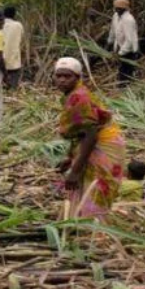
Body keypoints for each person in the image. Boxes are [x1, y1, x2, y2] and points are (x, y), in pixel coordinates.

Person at [53, 57, 126, 220]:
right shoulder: (72, 94)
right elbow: (81, 133)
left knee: (97, 186)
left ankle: (94, 229)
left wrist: (75, 170)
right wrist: (71, 157)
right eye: (59, 76)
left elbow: (90, 134)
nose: (62, 80)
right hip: (94, 141)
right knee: (87, 185)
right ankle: (79, 222)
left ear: (78, 78)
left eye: (68, 76)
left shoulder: (79, 97)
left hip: (104, 143)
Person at [108, 0, 139, 87]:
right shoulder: (115, 16)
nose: (117, 10)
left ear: (125, 9)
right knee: (121, 70)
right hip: (120, 47)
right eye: (116, 8)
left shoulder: (129, 20)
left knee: (126, 72)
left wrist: (121, 53)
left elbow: (129, 40)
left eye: (119, 8)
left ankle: (125, 89)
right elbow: (112, 30)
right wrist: (109, 42)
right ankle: (122, 87)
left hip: (129, 51)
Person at [2, 5, 24, 90]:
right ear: (14, 15)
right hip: (13, 54)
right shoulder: (18, 25)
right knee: (14, 72)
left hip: (0, 55)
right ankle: (12, 89)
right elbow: (21, 37)